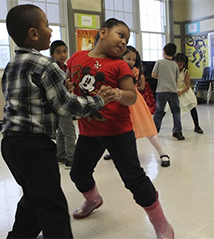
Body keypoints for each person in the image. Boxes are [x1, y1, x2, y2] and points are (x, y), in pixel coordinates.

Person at [1, 5, 116, 239]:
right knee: (53, 205)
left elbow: (27, 99)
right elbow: (65, 106)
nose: (51, 30)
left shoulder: (11, 65)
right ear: (34, 34)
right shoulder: (45, 64)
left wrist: (61, 90)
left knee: (34, 197)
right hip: (35, 147)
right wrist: (99, 100)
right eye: (46, 25)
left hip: (11, 145)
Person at [67, 18, 174, 239]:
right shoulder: (77, 57)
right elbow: (69, 82)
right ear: (103, 32)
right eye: (120, 35)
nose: (124, 42)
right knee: (78, 173)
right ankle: (93, 199)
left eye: (127, 39)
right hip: (89, 130)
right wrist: (66, 86)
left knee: (134, 178)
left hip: (118, 131)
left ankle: (160, 222)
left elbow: (131, 96)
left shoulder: (120, 65)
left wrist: (117, 94)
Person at [104, 46, 170, 167]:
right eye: (128, 58)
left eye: (133, 59)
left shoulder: (132, 70)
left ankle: (162, 152)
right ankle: (113, 151)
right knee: (116, 130)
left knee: (147, 128)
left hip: (134, 102)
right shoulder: (116, 67)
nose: (131, 62)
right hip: (119, 102)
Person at [50, 40, 77, 169]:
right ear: (52, 55)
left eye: (65, 51)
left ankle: (60, 155)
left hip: (61, 104)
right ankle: (71, 158)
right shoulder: (55, 69)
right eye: (58, 52)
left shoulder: (65, 67)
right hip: (61, 105)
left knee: (61, 131)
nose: (62, 55)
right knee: (70, 132)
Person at [152, 42, 185, 140]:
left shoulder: (159, 62)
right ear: (174, 54)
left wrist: (161, 77)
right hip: (173, 91)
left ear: (164, 52)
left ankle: (154, 130)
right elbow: (176, 79)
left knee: (159, 111)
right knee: (176, 112)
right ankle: (177, 131)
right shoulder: (175, 65)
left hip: (161, 91)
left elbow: (153, 75)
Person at [174, 53, 204, 134]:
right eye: (178, 62)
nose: (179, 65)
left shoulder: (185, 71)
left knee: (192, 106)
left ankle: (197, 126)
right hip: (175, 91)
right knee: (167, 108)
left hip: (185, 91)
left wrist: (181, 91)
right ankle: (156, 126)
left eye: (181, 63)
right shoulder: (173, 70)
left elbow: (188, 85)